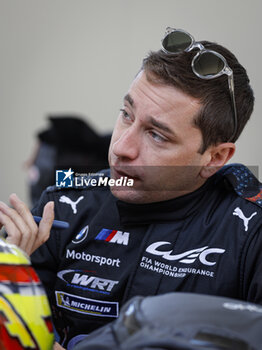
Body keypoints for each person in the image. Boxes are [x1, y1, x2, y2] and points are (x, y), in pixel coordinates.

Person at [0, 27, 261, 348]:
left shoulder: (250, 234)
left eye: (157, 135)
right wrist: (11, 277)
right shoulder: (64, 205)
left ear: (215, 157)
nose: (121, 147)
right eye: (126, 114)